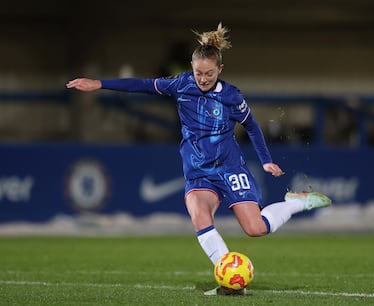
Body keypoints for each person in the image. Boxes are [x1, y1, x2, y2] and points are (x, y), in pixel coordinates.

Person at [67, 23, 331, 295]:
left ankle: (295, 204)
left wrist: (265, 160)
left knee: (255, 229)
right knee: (199, 216)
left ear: (220, 70)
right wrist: (99, 84)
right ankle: (228, 280)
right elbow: (142, 85)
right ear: (191, 68)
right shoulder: (181, 85)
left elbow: (251, 125)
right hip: (199, 173)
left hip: (230, 169)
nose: (203, 79)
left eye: (209, 73)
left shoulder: (231, 96)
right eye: (198, 73)